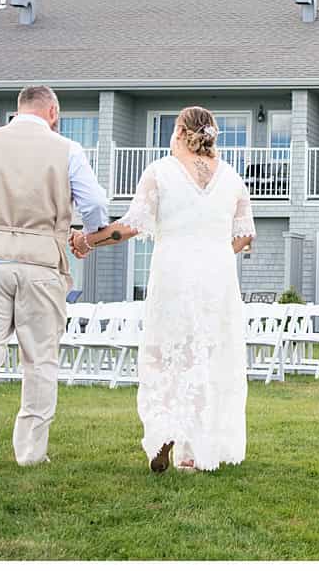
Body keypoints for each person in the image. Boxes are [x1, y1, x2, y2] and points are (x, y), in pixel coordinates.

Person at [0, 84, 116, 481]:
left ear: (18, 110)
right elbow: (96, 204)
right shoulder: (67, 149)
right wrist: (91, 233)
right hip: (41, 267)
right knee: (40, 360)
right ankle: (30, 452)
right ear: (52, 111)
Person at [73, 106, 253, 472]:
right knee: (209, 355)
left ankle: (164, 432)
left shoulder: (161, 172)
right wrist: (216, 253)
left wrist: (88, 240)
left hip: (174, 271)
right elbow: (246, 234)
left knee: (165, 354)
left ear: (181, 133)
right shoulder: (233, 178)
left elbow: (130, 226)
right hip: (218, 278)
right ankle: (195, 450)